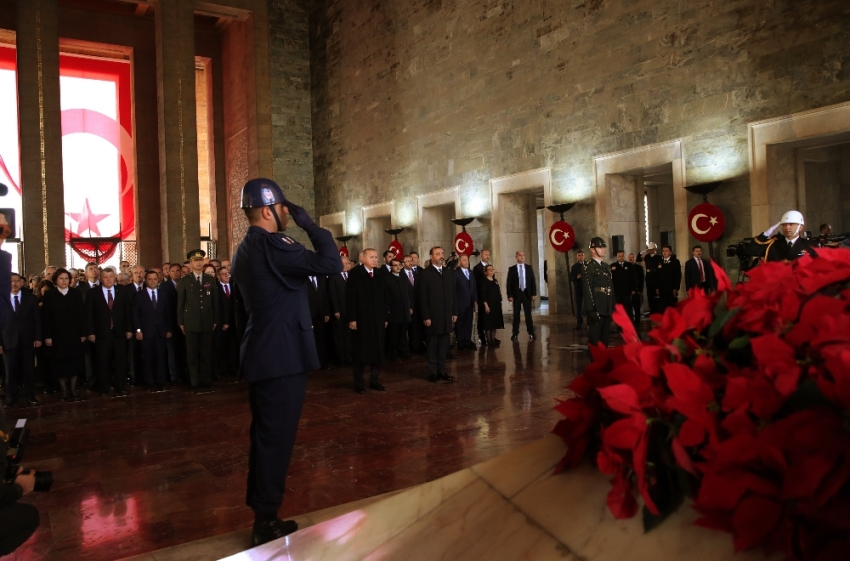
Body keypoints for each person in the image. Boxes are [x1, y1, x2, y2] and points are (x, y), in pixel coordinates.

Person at [230, 178, 341, 546]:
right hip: (281, 357)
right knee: (275, 440)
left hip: (265, 352)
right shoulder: (276, 245)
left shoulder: (246, 247)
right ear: (267, 210)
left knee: (266, 438)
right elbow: (329, 263)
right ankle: (265, 522)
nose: (287, 215)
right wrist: (311, 225)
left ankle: (264, 512)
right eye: (283, 209)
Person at [346, 248, 389, 392]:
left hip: (377, 320)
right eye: (372, 257)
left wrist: (385, 317)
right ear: (362, 258)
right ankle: (358, 383)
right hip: (361, 320)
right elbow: (350, 298)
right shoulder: (354, 274)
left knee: (378, 351)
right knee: (360, 352)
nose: (376, 260)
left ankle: (374, 380)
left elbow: (384, 298)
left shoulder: (380, 274)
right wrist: (352, 318)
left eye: (376, 257)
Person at [178, 249, 220, 393]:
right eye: (196, 261)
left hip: (207, 321)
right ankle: (194, 382)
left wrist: (215, 319)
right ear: (191, 263)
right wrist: (181, 322)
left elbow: (215, 301)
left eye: (200, 260)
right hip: (191, 321)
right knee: (192, 355)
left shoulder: (210, 280)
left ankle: (206, 381)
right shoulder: (185, 280)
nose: (198, 263)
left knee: (206, 354)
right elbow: (181, 303)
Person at [86, 268, 133, 397]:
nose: (108, 279)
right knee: (103, 361)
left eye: (111, 277)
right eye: (105, 277)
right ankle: (104, 387)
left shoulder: (122, 291)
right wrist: (91, 332)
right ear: (101, 279)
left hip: (120, 332)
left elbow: (127, 312)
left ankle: (120, 386)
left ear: (115, 278)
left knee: (120, 361)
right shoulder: (93, 293)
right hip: (101, 333)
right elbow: (89, 314)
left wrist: (129, 329)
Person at [42, 268, 87, 402]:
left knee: (75, 363)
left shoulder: (76, 293)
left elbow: (81, 315)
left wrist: (83, 333)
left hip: (74, 335)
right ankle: (63, 390)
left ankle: (73, 389)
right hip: (57, 336)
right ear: (56, 280)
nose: (64, 281)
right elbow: (45, 317)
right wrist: (47, 336)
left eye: (66, 278)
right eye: (61, 278)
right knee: (59, 364)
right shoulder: (49, 295)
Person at [1, 273, 42, 407]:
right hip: (8, 341)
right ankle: (11, 397)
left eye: (17, 281)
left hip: (27, 340)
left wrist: (38, 337)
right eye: (11, 281)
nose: (14, 284)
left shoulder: (30, 298)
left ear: (22, 282)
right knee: (10, 371)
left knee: (29, 369)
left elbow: (37, 320)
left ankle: (30, 396)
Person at [418, 246, 457, 383]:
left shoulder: (448, 273)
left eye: (442, 253)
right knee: (432, 346)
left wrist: (454, 312)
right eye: (438, 254)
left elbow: (453, 295)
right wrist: (426, 316)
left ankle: (442, 371)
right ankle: (432, 372)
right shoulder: (425, 274)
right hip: (432, 317)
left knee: (443, 347)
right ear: (431, 257)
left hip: (446, 316)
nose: (441, 256)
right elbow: (422, 297)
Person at [133, 270, 173, 392]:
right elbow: (135, 315)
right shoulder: (139, 295)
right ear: (146, 280)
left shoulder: (163, 294)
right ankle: (149, 382)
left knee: (161, 357)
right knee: (147, 358)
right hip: (146, 332)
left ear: (158, 280)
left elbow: (168, 314)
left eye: (155, 279)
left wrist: (169, 329)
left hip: (161, 331)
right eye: (150, 279)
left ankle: (161, 381)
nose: (152, 281)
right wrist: (138, 330)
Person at [747, 210, 818, 262]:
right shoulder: (772, 245)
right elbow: (751, 250)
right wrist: (765, 235)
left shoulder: (810, 245)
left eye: (791, 224)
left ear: (800, 227)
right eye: (784, 224)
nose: (787, 227)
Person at [582, 237, 614, 349]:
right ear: (592, 249)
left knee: (605, 340)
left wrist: (612, 307)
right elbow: (587, 290)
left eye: (603, 247)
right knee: (595, 339)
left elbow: (610, 288)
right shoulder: (588, 267)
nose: (603, 249)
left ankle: (603, 362)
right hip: (596, 308)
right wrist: (591, 310)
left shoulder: (606, 267)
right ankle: (595, 363)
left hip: (606, 308)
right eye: (600, 247)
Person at [214, 267, 239, 381]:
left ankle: (233, 369)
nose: (226, 276)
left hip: (234, 323)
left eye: (227, 273)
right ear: (218, 276)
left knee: (233, 347)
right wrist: (223, 322)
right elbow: (217, 308)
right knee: (221, 348)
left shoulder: (234, 287)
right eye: (223, 274)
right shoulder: (216, 288)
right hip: (221, 324)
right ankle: (222, 370)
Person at [506, 250, 536, 341]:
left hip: (527, 294)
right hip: (516, 294)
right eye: (520, 255)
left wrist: (534, 293)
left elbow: (532, 281)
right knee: (516, 315)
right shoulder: (512, 269)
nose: (522, 257)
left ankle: (531, 332)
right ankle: (515, 333)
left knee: (528, 315)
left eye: (523, 255)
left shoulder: (529, 268)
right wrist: (510, 295)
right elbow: (509, 283)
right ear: (516, 257)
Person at [384, 258, 411, 361]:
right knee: (393, 335)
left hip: (405, 311)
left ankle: (404, 352)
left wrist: (410, 306)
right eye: (395, 265)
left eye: (399, 264)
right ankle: (393, 354)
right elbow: (386, 297)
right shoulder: (387, 279)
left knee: (403, 334)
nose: (397, 267)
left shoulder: (403, 277)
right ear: (391, 267)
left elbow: (409, 293)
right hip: (394, 312)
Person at [327, 255, 351, 366]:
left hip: (349, 312)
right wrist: (336, 310)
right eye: (343, 264)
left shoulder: (351, 275)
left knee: (348, 335)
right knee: (339, 336)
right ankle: (340, 359)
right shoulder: (334, 276)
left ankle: (348, 357)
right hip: (339, 311)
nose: (345, 266)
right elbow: (332, 294)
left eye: (347, 263)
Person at [453, 254, 477, 350]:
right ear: (459, 262)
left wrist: (475, 300)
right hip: (460, 303)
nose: (466, 262)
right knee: (460, 323)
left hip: (470, 303)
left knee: (468, 322)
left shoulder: (471, 273)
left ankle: (467, 340)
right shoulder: (455, 273)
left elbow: (474, 287)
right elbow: (454, 290)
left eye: (467, 260)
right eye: (463, 260)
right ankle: (461, 341)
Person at [306, 273, 330, 369]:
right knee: (308, 340)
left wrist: (327, 312)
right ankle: (309, 363)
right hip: (308, 315)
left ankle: (321, 362)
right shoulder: (303, 279)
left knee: (320, 339)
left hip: (321, 314)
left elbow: (325, 295)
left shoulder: (321, 277)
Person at [402, 255, 424, 354]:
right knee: (409, 328)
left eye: (411, 261)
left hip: (418, 306)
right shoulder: (401, 275)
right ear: (403, 264)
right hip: (407, 307)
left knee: (417, 327)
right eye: (407, 261)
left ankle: (418, 346)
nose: (410, 263)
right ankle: (410, 347)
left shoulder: (417, 273)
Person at [477, 264, 504, 347]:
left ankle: (493, 339)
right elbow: (483, 294)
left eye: (492, 269)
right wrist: (486, 305)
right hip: (488, 305)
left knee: (494, 324)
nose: (491, 271)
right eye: (489, 269)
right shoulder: (484, 281)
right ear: (485, 272)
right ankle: (489, 341)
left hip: (495, 305)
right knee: (488, 325)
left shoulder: (495, 281)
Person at [610, 250, 634, 325]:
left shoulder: (630, 266)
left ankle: (629, 324)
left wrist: (633, 289)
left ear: (624, 256)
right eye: (619, 256)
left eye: (622, 256)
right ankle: (619, 324)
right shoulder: (612, 266)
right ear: (617, 257)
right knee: (618, 309)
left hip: (627, 291)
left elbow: (634, 278)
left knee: (628, 308)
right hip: (617, 292)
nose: (620, 257)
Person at [472, 249, 491, 343]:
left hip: (489, 296)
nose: (488, 256)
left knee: (489, 317)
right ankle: (481, 336)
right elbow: (475, 284)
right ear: (481, 256)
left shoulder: (490, 267)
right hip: (480, 296)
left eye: (489, 255)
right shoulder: (477, 268)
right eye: (486, 254)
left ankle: (490, 336)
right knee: (481, 316)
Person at [657, 245, 682, 311]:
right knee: (662, 306)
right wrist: (657, 287)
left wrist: (676, 288)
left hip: (671, 288)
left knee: (671, 306)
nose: (664, 252)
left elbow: (678, 275)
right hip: (662, 288)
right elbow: (657, 275)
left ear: (670, 252)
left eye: (666, 251)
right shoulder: (659, 262)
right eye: (663, 251)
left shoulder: (675, 262)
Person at [640, 242, 663, 314]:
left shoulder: (658, 257)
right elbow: (638, 257)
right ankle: (651, 310)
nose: (650, 251)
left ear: (654, 249)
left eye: (651, 249)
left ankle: (657, 310)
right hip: (649, 276)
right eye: (649, 250)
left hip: (656, 275)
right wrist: (644, 251)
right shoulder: (647, 256)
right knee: (649, 294)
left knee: (656, 294)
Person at [569, 250, 585, 330]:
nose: (580, 257)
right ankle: (579, 322)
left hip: (587, 289)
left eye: (582, 255)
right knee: (578, 306)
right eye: (579, 255)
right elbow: (571, 278)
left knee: (589, 306)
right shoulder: (574, 267)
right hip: (578, 288)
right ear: (577, 257)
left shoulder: (588, 265)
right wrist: (576, 277)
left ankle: (590, 323)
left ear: (584, 256)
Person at [628, 253, 644, 325]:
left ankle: (637, 322)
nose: (631, 259)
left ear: (634, 258)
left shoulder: (639, 268)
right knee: (629, 307)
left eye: (632, 257)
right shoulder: (626, 267)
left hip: (637, 291)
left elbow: (641, 279)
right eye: (630, 257)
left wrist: (640, 290)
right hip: (628, 291)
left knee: (637, 307)